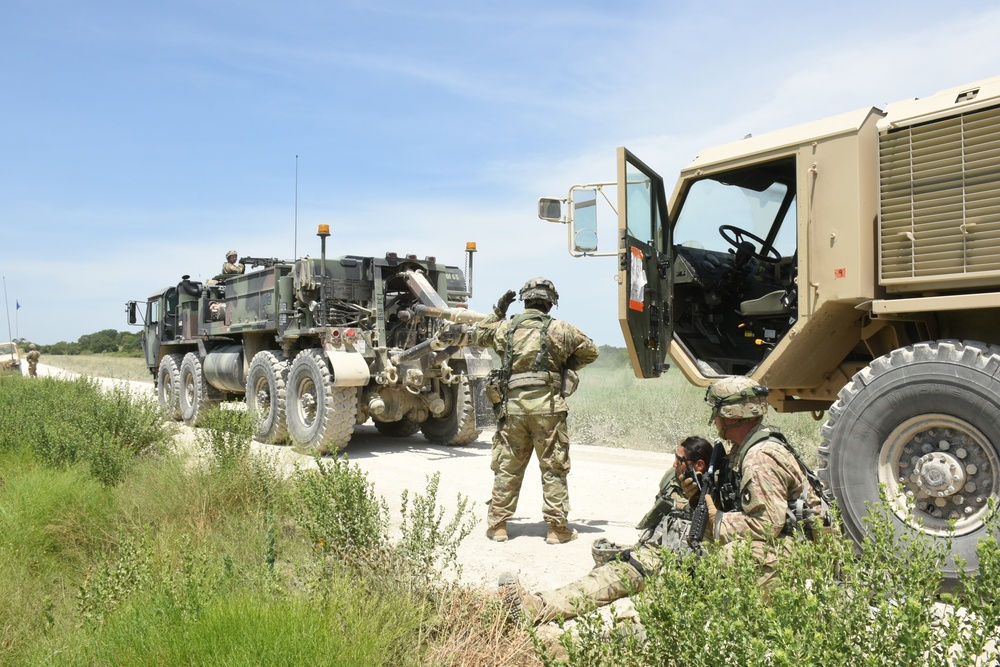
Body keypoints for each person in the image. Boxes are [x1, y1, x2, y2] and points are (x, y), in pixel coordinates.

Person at [500, 436, 717, 625]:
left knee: (644, 615)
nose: (674, 463)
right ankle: (535, 607)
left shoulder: (715, 494)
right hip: (648, 558)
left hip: (681, 570)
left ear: (698, 465)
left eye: (679, 460)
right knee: (597, 582)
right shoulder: (671, 482)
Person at [472, 278, 599, 545]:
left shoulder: (505, 328)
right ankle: (556, 529)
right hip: (549, 409)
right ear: (550, 303)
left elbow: (478, 335)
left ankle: (498, 526)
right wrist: (564, 365)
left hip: (513, 410)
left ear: (525, 300)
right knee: (553, 468)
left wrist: (498, 311)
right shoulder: (561, 329)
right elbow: (591, 352)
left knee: (507, 468)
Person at [692, 375, 828, 587]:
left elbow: (765, 525)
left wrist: (716, 519)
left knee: (731, 556)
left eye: (716, 412)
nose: (714, 419)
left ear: (731, 417)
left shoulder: (759, 458)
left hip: (806, 550)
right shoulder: (741, 448)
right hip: (787, 541)